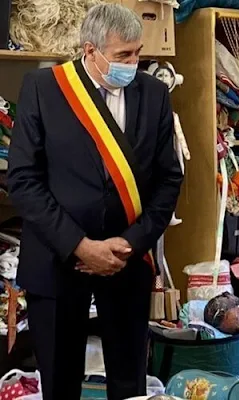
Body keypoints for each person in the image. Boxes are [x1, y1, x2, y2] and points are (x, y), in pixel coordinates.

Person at [8, 4, 183, 399]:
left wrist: (132, 243)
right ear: (90, 51)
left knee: (128, 380)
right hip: (57, 260)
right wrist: (80, 246)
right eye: (124, 55)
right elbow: (23, 180)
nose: (134, 63)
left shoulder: (154, 94)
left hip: (127, 259)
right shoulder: (44, 88)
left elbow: (169, 179)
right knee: (59, 381)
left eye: (138, 53)